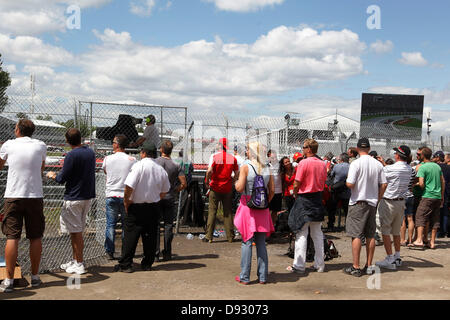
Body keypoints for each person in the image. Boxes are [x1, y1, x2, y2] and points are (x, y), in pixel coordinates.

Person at [0, 119, 47, 293]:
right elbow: (41, 167)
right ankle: (35, 277)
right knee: (35, 236)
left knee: (12, 237)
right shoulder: (40, 145)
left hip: (13, 195)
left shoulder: (9, 145)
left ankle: (9, 280)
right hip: (35, 195)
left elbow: (0, 164)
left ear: (18, 130)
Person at [47, 128, 96, 275]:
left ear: (67, 141)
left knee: (75, 232)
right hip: (86, 195)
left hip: (74, 197)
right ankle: (76, 260)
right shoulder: (90, 152)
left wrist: (52, 175)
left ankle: (79, 263)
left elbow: (62, 178)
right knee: (77, 231)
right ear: (80, 139)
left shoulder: (71, 155)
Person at [114, 143, 170, 272]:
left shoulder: (138, 166)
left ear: (143, 153)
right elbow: (164, 190)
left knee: (130, 236)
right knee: (150, 236)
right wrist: (156, 198)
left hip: (136, 206)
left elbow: (129, 186)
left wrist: (126, 201)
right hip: (153, 206)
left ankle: (126, 264)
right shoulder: (160, 169)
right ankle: (147, 263)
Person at [344, 138, 387, 277]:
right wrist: (378, 198)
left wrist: (348, 183)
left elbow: (350, 184)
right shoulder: (378, 164)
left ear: (357, 149)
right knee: (370, 234)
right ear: (368, 149)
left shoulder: (356, 163)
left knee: (356, 234)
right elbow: (384, 184)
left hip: (358, 201)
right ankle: (368, 265)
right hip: (372, 202)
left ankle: (356, 266)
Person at [234, 141, 274, 284]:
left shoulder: (245, 167)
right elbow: (272, 190)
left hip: (248, 206)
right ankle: (263, 277)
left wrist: (235, 181)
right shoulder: (267, 168)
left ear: (251, 152)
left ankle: (245, 276)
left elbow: (239, 188)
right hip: (262, 208)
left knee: (247, 242)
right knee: (261, 242)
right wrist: (263, 202)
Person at [286, 138, 328, 274]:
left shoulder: (303, 163)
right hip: (317, 198)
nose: (302, 150)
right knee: (317, 233)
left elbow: (297, 183)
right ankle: (320, 264)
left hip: (305, 198)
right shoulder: (323, 164)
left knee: (301, 232)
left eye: (304, 147)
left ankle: (299, 265)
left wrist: (295, 194)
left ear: (309, 149)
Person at [375, 145, 413, 270]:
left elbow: (383, 178)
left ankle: (390, 258)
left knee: (385, 231)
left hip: (388, 202)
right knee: (396, 232)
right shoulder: (409, 169)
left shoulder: (390, 168)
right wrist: (384, 164)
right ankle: (397, 256)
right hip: (401, 202)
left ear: (397, 155)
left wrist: (382, 164)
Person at [102, 134, 137, 260]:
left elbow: (106, 171)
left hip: (111, 194)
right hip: (125, 195)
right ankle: (124, 250)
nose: (112, 144)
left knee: (110, 224)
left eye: (113, 142)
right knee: (125, 225)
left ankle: (110, 251)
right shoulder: (132, 160)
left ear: (117, 144)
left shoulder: (108, 158)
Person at [154, 140, 187, 261]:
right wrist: (175, 190)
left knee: (155, 225)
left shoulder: (155, 162)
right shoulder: (175, 165)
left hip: (156, 197)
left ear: (161, 149)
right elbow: (184, 183)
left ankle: (155, 253)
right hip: (169, 197)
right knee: (168, 225)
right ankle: (167, 252)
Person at [204, 138, 239, 243]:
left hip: (215, 186)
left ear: (219, 145)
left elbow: (209, 171)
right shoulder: (232, 158)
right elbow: (237, 173)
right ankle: (230, 236)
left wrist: (207, 181)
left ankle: (209, 236)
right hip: (227, 187)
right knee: (227, 212)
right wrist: (232, 181)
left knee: (212, 211)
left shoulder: (215, 157)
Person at [412, 147, 445, 249]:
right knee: (435, 219)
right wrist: (442, 195)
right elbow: (442, 181)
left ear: (422, 155)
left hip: (427, 196)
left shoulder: (423, 167)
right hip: (437, 196)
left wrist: (417, 184)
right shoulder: (437, 167)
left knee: (420, 216)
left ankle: (419, 239)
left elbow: (421, 184)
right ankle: (432, 242)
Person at [327, 153, 351, 231]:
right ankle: (348, 227)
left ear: (341, 159)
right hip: (347, 191)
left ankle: (331, 225)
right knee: (347, 210)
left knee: (332, 209)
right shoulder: (351, 167)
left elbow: (331, 175)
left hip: (336, 190)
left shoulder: (336, 166)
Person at [400, 154, 417, 246]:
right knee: (410, 218)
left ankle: (402, 240)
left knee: (402, 219)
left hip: (402, 196)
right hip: (410, 195)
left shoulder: (401, 170)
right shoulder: (412, 170)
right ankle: (410, 240)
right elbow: (414, 182)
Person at [432, 151, 450, 238]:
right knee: (445, 212)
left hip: (435, 192)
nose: (433, 158)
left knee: (435, 213)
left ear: (438, 157)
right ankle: (443, 231)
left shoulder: (435, 167)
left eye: (434, 157)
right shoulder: (448, 167)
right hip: (446, 192)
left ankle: (436, 231)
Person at [267, 150, 283, 228]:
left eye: (275, 157)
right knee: (267, 210)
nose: (274, 159)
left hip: (278, 191)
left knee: (275, 211)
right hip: (268, 192)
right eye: (272, 157)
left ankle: (272, 227)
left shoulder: (280, 165)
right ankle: (267, 226)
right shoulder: (266, 165)